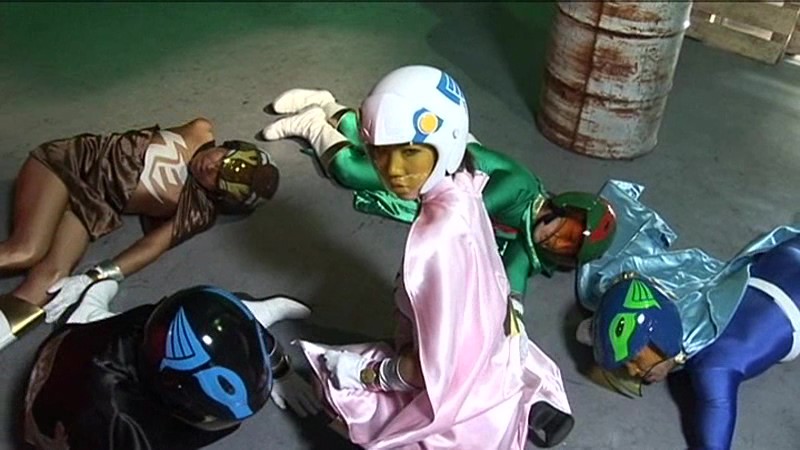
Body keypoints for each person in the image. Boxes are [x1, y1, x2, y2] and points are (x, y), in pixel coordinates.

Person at [270, 65, 574, 449]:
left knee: (331, 387)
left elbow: (432, 372)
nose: (393, 170)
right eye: (380, 153)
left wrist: (366, 375)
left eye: (409, 151)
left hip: (452, 390)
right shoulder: (466, 188)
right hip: (490, 361)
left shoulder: (435, 241)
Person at [261, 87, 617, 325]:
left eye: (568, 248)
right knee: (355, 166)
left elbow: (516, 271)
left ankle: (325, 106)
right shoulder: (522, 188)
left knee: (375, 153)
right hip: (438, 166)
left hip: (438, 184)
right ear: (568, 206)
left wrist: (513, 314)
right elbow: (469, 212)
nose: (557, 241)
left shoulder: (528, 237)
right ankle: (315, 121)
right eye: (568, 231)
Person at [0, 118, 280, 351]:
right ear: (230, 146)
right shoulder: (199, 131)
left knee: (50, 283)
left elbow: (153, 245)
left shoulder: (195, 209)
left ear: (218, 196)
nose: (211, 168)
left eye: (218, 180)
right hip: (68, 164)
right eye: (224, 161)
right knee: (27, 251)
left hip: (90, 205)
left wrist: (94, 276)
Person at [575, 179, 800, 449]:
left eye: (635, 358)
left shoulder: (712, 367)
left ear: (660, 337)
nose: (634, 371)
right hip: (775, 264)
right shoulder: (678, 310)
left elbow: (715, 433)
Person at [23, 281, 321, 450]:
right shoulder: (118, 427)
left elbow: (208, 325)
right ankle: (87, 316)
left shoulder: (156, 325)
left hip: (104, 345)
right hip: (65, 390)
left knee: (185, 315)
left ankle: (91, 317)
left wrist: (279, 370)